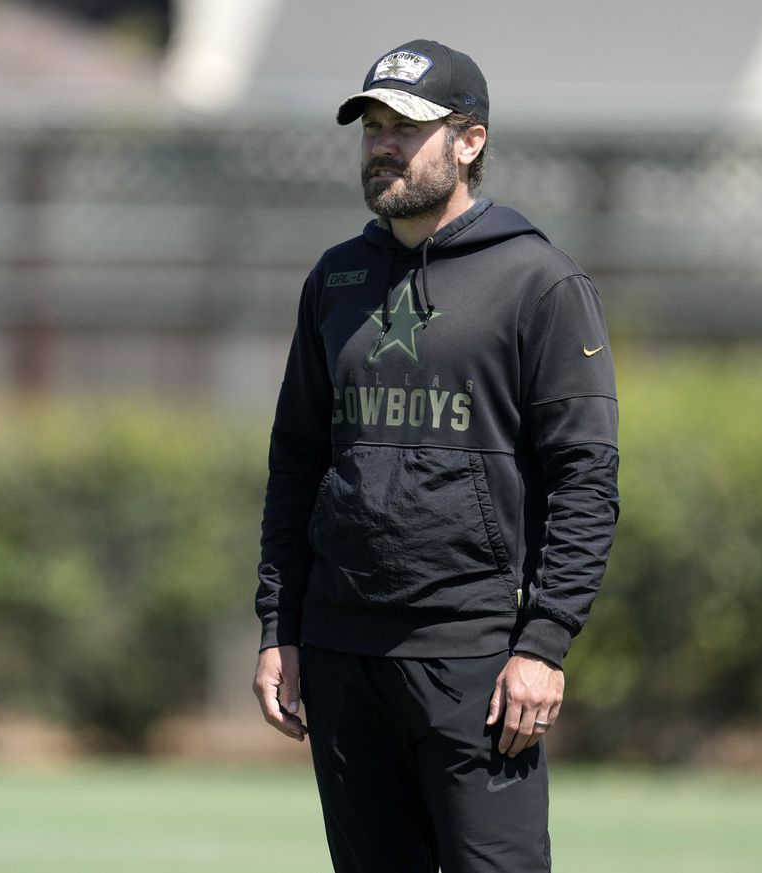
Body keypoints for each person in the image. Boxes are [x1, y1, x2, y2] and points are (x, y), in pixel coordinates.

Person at [252, 37, 619, 873]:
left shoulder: (541, 283)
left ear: (470, 140)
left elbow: (586, 479)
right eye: (371, 124)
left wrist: (544, 642)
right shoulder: (337, 280)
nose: (383, 143)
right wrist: (281, 626)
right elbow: (297, 464)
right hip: (346, 658)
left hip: (479, 665)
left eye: (405, 126)